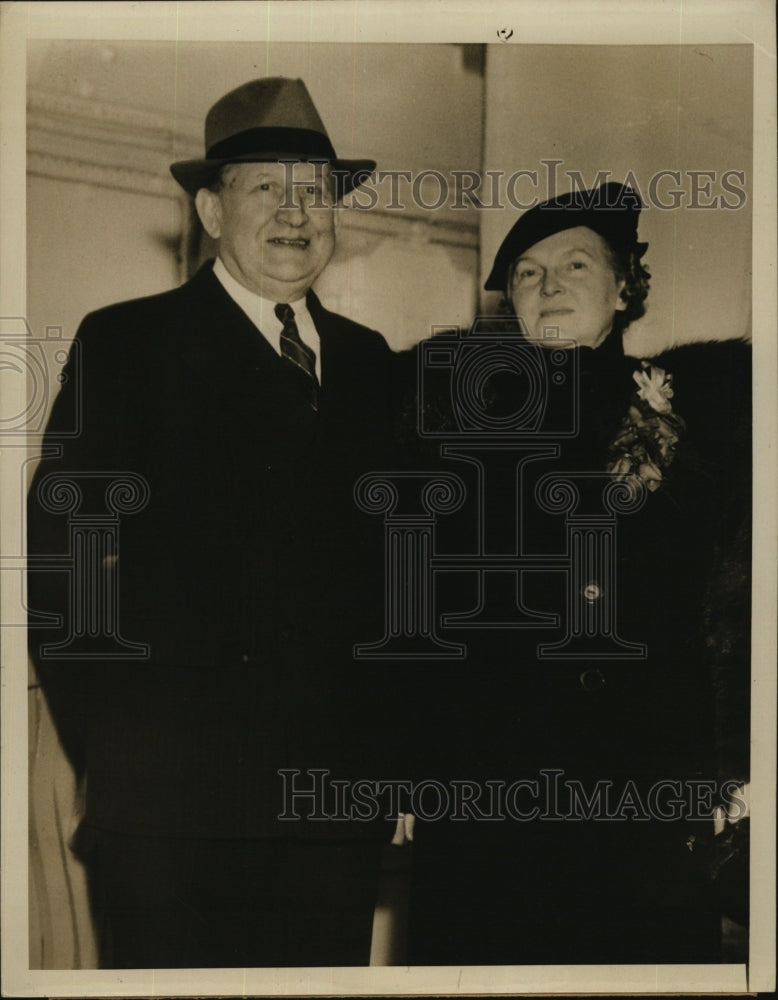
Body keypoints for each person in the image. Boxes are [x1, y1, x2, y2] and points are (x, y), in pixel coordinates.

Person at [27, 77, 398, 969]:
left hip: (333, 818)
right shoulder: (129, 343)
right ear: (210, 209)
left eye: (315, 190)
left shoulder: (373, 364)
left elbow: (401, 578)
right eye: (266, 186)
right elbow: (67, 564)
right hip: (173, 818)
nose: (295, 212)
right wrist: (119, 751)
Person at [401, 182, 751, 964]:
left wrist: (734, 770)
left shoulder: (709, 416)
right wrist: (411, 766)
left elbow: (735, 611)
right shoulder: (453, 422)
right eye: (527, 273)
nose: (549, 284)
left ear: (625, 289)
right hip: (486, 779)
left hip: (646, 785)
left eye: (575, 265)